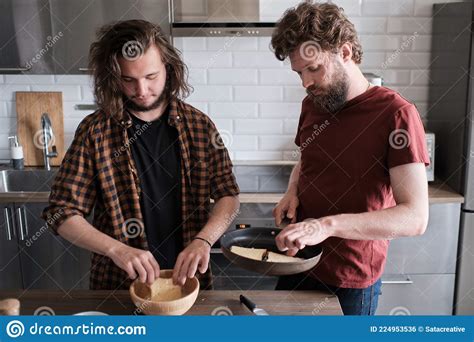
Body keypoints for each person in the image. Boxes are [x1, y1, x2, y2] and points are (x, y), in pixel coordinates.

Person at [42, 20, 240, 290]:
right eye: (128, 80)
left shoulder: (199, 126)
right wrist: (116, 250)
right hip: (119, 286)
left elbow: (228, 195)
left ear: (168, 69)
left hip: (188, 285)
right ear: (113, 77)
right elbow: (61, 212)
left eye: (151, 77)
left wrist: (203, 240)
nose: (142, 90)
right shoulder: (95, 131)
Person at [270, 2, 430, 315]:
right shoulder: (313, 103)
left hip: (350, 278)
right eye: (299, 72)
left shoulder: (396, 115)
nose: (306, 83)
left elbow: (415, 218)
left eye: (313, 69)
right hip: (298, 262)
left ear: (345, 52)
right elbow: (307, 158)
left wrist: (326, 225)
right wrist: (292, 191)